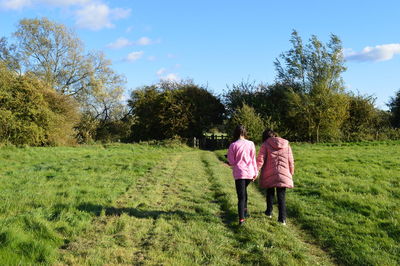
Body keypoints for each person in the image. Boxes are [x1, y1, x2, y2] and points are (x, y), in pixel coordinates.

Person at [256, 129, 294, 225]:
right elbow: (290, 160)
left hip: (269, 173)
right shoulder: (286, 145)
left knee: (270, 192)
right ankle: (282, 219)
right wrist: (291, 172)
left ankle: (269, 212)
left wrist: (256, 171)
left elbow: (260, 160)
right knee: (281, 196)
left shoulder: (265, 145)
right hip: (284, 173)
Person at [227, 125, 258, 226]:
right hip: (250, 172)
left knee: (241, 197)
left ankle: (241, 219)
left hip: (239, 173)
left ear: (235, 133)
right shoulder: (251, 143)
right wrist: (256, 172)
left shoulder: (233, 145)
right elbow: (253, 159)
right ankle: (245, 212)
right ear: (245, 132)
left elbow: (231, 162)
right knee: (244, 192)